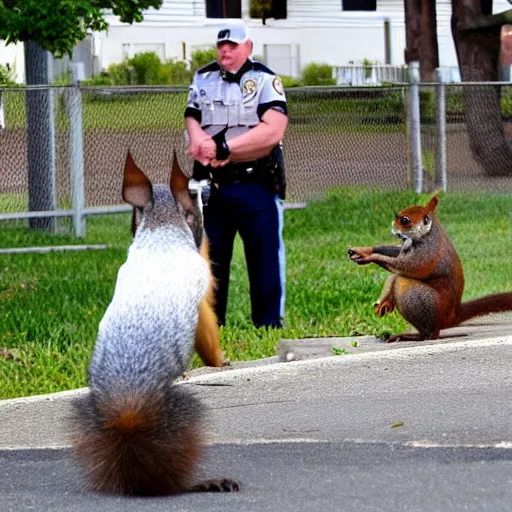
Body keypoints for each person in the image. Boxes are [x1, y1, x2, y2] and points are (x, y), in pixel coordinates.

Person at [184, 22, 288, 329]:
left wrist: (225, 148)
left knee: (264, 258)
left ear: (248, 47)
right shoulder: (203, 78)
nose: (225, 50)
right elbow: (192, 115)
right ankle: (211, 325)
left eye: (232, 45)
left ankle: (268, 325)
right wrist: (200, 142)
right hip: (213, 187)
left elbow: (272, 131)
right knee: (210, 260)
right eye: (221, 46)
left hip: (256, 183)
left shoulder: (265, 80)